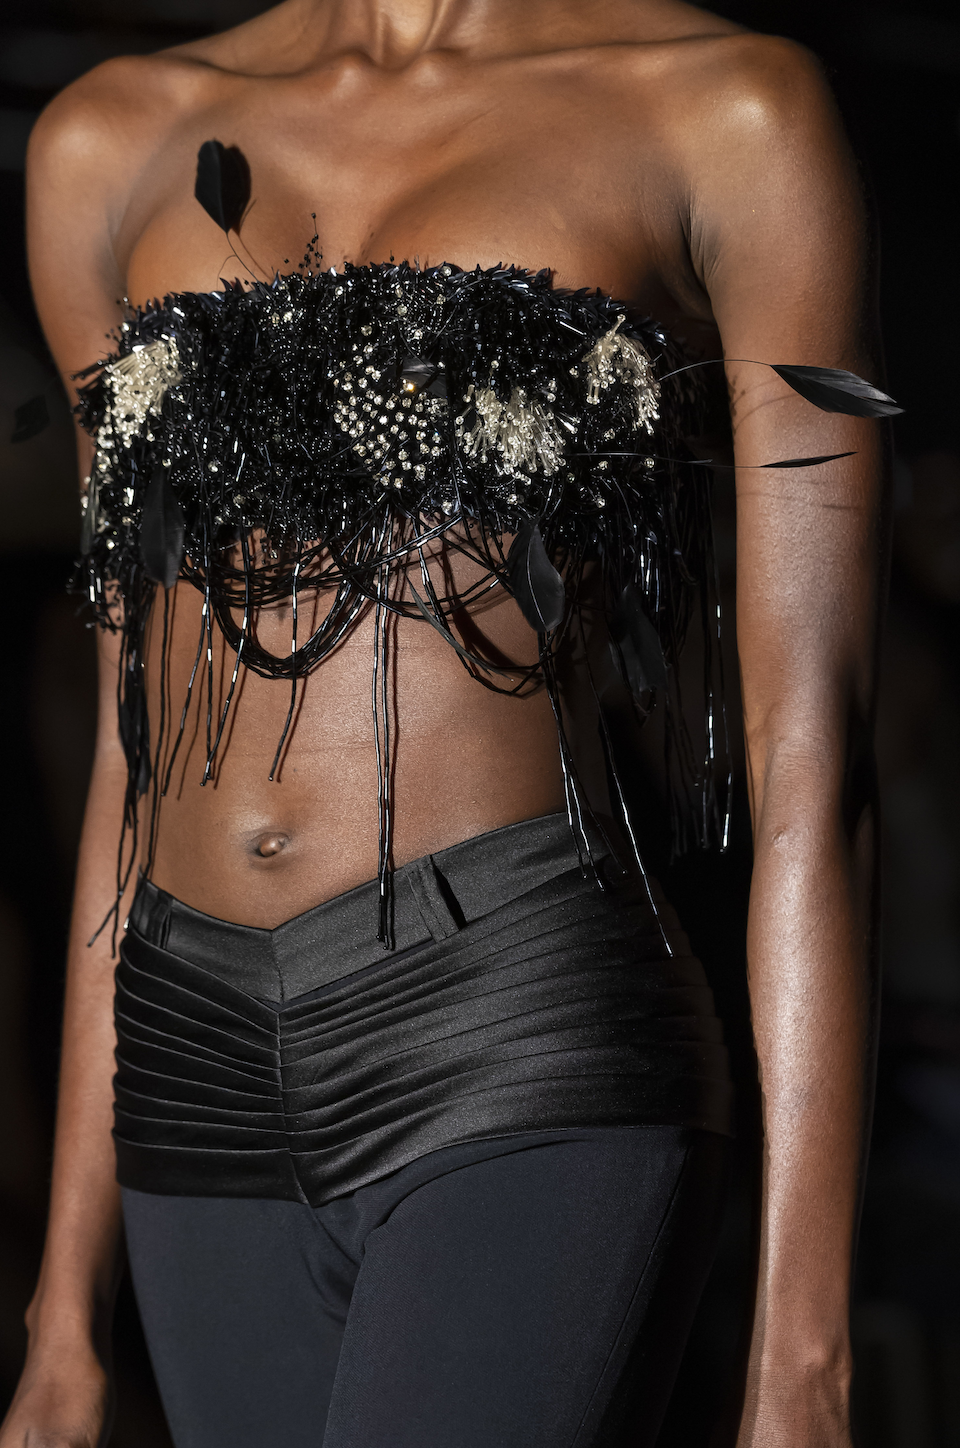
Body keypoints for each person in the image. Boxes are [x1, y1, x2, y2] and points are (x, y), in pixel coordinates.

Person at [2, 0, 890, 1444]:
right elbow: (134, 738)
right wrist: (61, 1319)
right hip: (191, 1067)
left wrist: (804, 1366)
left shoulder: (721, 108)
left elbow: (814, 756)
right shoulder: (113, 137)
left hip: (512, 1027)